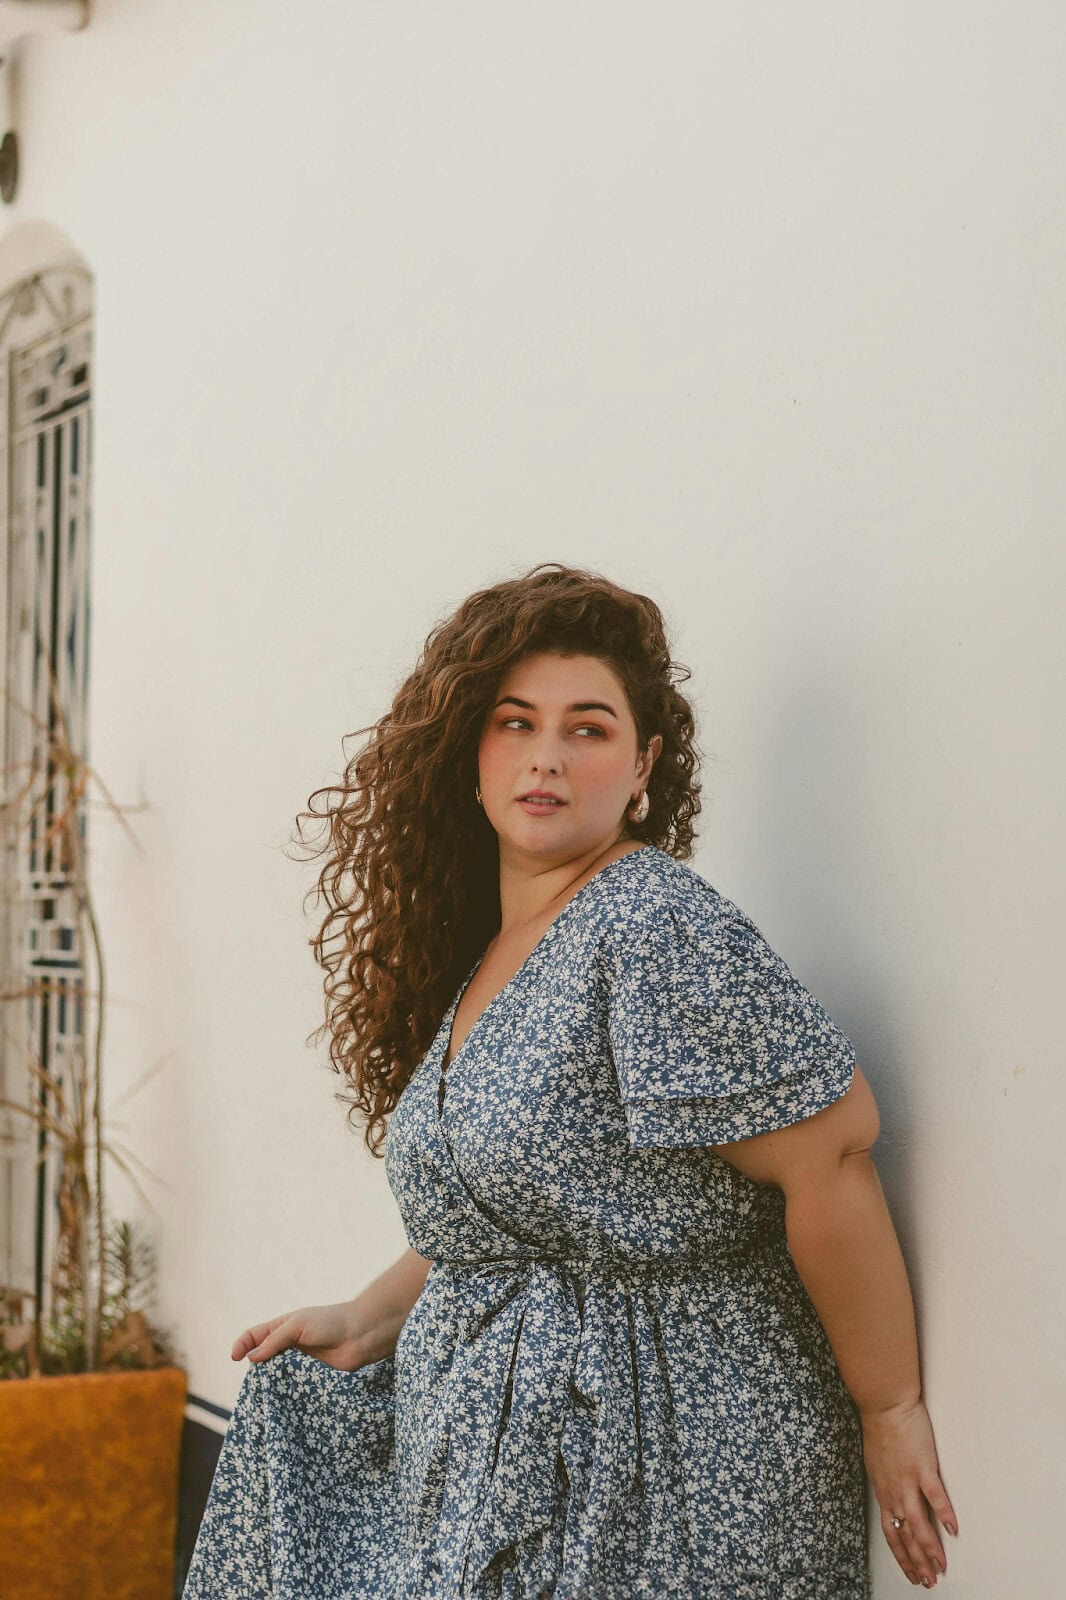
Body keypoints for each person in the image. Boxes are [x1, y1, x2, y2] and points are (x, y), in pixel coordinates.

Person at [182, 561, 958, 1599]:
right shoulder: (495, 947)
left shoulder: (647, 921)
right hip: (500, 1448)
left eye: (587, 728)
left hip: (662, 1451)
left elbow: (831, 1153)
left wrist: (889, 1408)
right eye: (514, 722)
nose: (545, 756)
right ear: (469, 754)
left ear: (643, 764)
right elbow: (519, 1210)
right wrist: (368, 1318)